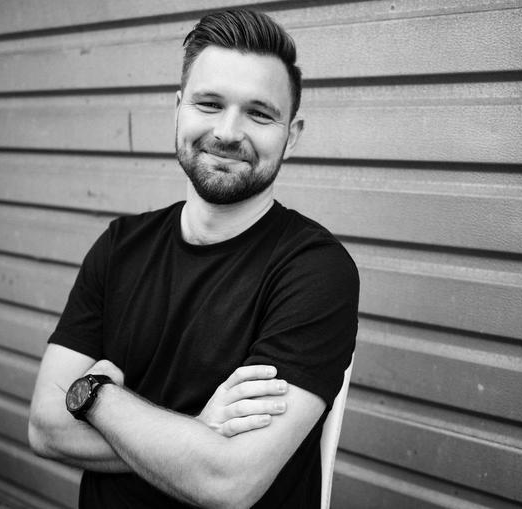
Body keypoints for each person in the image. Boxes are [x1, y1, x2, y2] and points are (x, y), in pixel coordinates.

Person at [28, 8, 358, 509]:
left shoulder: (315, 271)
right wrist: (195, 434)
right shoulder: (121, 246)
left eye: (259, 113)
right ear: (178, 108)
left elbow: (226, 481)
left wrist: (96, 395)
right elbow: (45, 426)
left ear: (291, 135)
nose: (228, 131)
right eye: (209, 103)